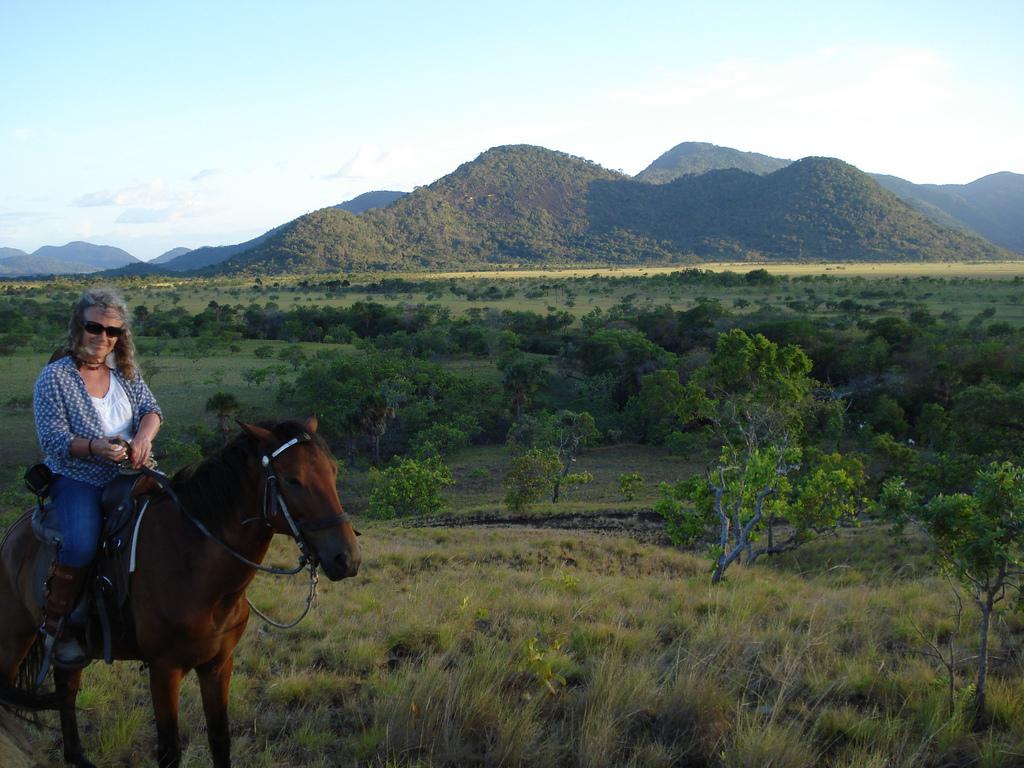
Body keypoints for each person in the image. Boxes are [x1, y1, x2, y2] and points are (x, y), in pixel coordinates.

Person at [33, 286, 162, 667]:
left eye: (113, 331)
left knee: (181, 517)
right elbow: (53, 439)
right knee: (80, 545)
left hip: (133, 472)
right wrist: (95, 447)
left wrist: (142, 437)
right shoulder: (54, 378)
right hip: (79, 476)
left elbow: (152, 410)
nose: (103, 338)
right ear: (78, 326)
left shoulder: (126, 372)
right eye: (95, 327)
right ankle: (58, 624)